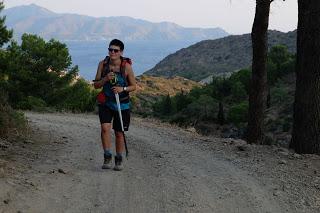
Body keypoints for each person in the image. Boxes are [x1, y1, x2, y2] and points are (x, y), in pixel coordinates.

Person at [93, 39, 136, 171]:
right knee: (105, 128)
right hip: (106, 102)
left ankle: (118, 159)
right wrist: (105, 79)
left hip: (122, 105)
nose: (112, 52)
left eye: (115, 50)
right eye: (110, 49)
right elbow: (96, 85)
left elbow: (133, 86)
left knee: (119, 133)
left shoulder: (126, 67)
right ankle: (107, 156)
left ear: (121, 52)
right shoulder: (102, 64)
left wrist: (121, 89)